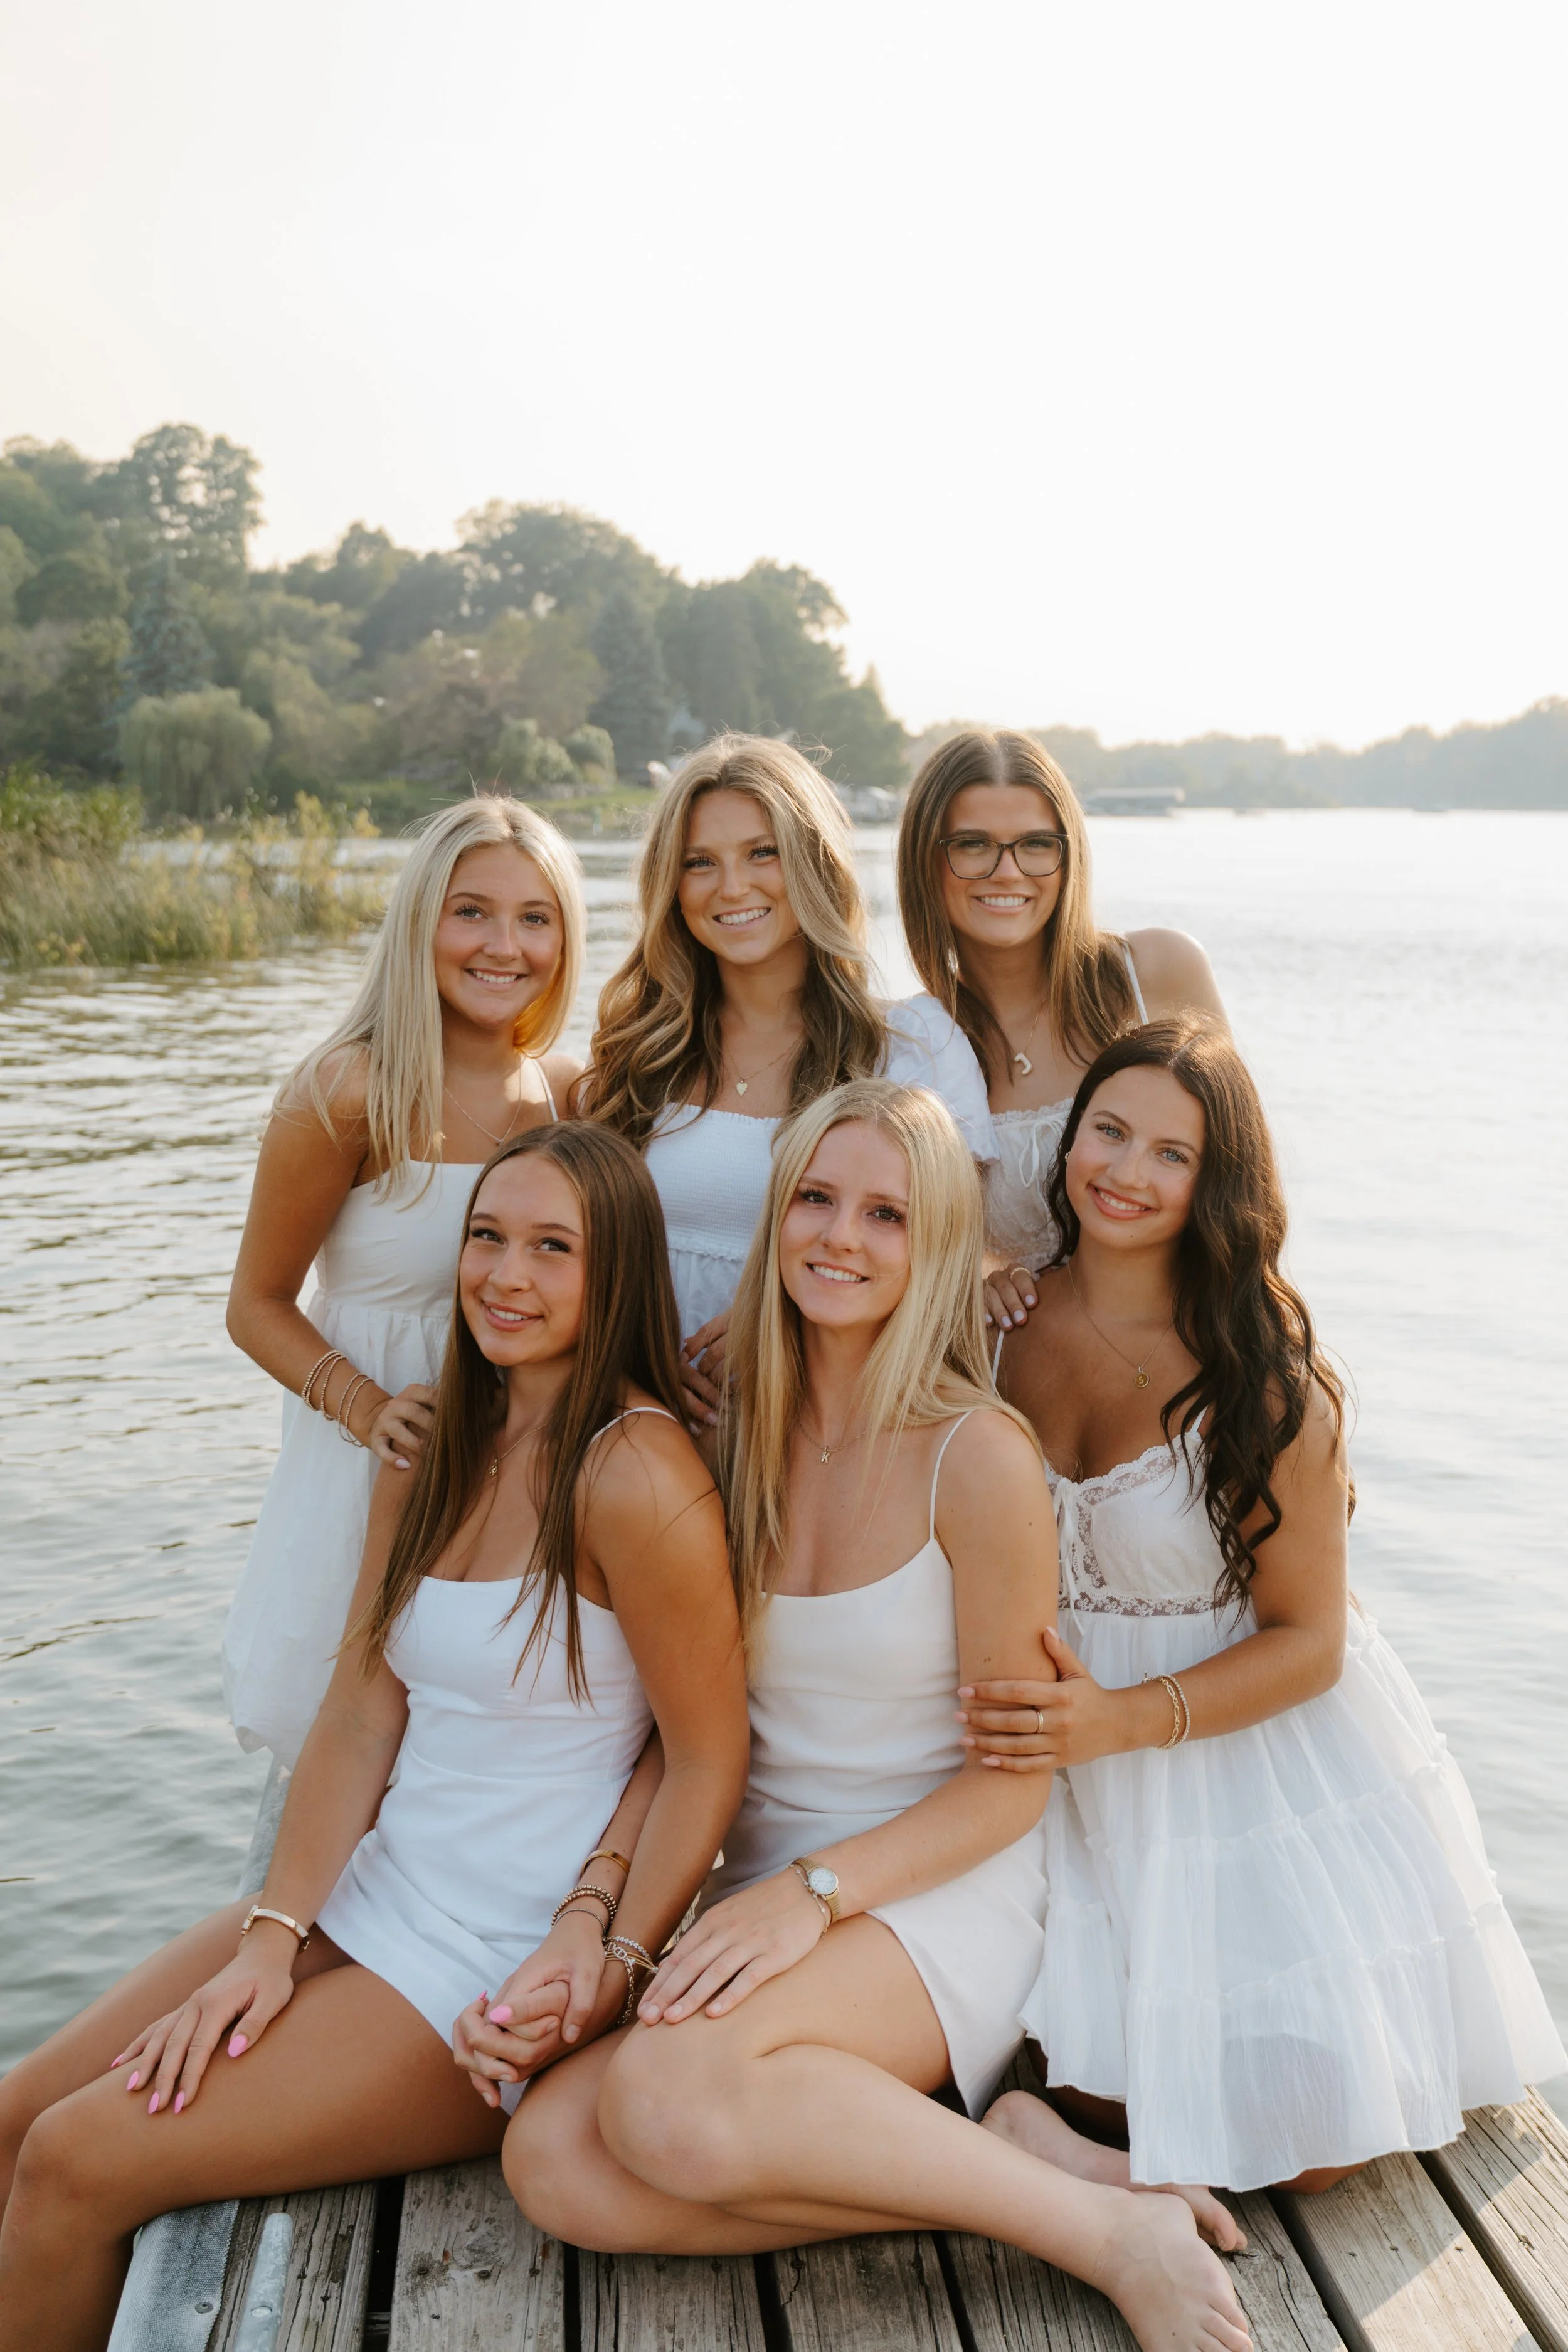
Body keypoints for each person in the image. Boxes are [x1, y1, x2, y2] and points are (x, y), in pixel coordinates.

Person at [494, 1082, 1254, 2352]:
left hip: (931, 1879)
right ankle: (997, 2165)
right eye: (815, 1199)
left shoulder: (976, 1456)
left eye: (886, 1214)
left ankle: (1111, 2237)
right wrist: (599, 1914)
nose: (840, 1238)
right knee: (551, 2160)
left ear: (939, 1243)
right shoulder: (729, 1437)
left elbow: (1011, 1783)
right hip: (760, 1877)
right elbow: (684, 1736)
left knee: (669, 2096)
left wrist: (817, 1895)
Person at [0, 1123, 748, 2351]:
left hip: (485, 1966)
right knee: (19, 2112)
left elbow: (707, 1753)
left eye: (551, 1248)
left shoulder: (635, 1473)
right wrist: (268, 1942)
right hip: (369, 1893)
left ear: (612, 1273)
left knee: (79, 2159)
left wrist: (600, 1961)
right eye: (487, 1239)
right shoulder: (437, 1440)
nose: (506, 1276)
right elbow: (360, 1707)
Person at [967, 1019, 1566, 2195]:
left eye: (1172, 1154)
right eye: (1109, 1131)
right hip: (1041, 1768)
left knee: (1314, 2140)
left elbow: (1312, 1644)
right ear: (1071, 1138)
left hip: (1221, 1750)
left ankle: (1068, 2166)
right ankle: (1067, 2143)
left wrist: (1124, 1719)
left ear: (1218, 1183)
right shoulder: (993, 1325)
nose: (1127, 1173)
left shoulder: (1261, 1383)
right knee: (1079, 2066)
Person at [223, 794, 587, 1764]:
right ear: (421, 920)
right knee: (336, 1763)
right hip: (374, 1457)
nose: (503, 944)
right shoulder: (349, 1091)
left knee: (473, 1761)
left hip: (515, 1472)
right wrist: (366, 1405)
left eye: (535, 917)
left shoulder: (572, 1093)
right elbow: (254, 1304)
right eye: (471, 911)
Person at [576, 734, 996, 1426]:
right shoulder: (639, 1053)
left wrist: (772, 1322)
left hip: (819, 1427)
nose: (732, 887)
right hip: (639, 1422)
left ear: (815, 863)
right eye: (699, 863)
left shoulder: (908, 1051)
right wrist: (630, 1372)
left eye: (761, 853)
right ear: (671, 887)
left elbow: (950, 1273)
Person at [896, 729, 1227, 1324]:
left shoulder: (1157, 973)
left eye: (1036, 844)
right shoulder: (912, 1043)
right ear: (927, 862)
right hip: (1009, 1374)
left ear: (1068, 856)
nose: (1008, 872)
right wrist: (973, 1269)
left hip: (1179, 1345)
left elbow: (1241, 1178)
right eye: (973, 845)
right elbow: (888, 1230)